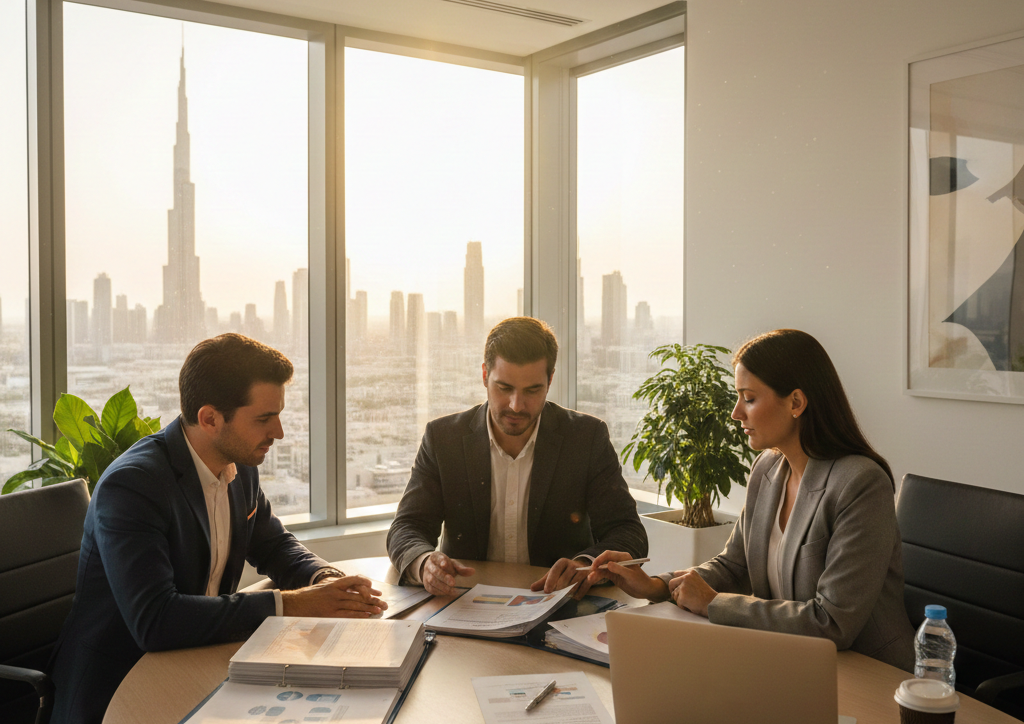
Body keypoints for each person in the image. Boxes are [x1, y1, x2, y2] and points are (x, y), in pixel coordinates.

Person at [49, 334, 386, 724]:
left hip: (202, 663)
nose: (278, 432)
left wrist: (322, 576)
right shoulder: (133, 486)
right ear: (210, 418)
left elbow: (273, 543)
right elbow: (156, 620)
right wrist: (297, 603)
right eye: (263, 419)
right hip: (120, 690)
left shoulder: (238, 466)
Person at [588, 329, 916, 671]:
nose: (736, 413)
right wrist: (655, 585)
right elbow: (734, 565)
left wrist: (714, 604)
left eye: (749, 398)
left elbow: (832, 621)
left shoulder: (861, 484)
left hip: (870, 674)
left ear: (796, 403)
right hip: (789, 662)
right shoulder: (768, 468)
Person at [386, 316, 648, 599]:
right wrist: (424, 563)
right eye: (504, 388)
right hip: (464, 605)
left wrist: (584, 565)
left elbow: (627, 531)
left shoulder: (586, 438)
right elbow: (407, 527)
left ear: (550, 380)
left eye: (532, 390)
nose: (516, 405)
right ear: (485, 375)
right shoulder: (443, 439)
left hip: (560, 605)